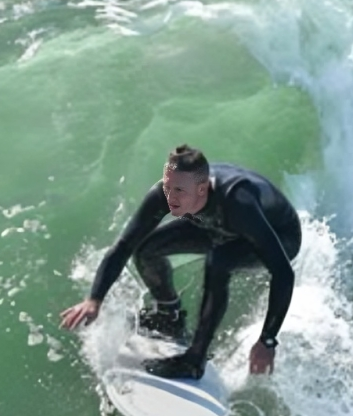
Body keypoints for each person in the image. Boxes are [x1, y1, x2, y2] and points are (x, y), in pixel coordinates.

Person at [60, 144, 302, 379]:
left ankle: (195, 360)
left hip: (281, 237)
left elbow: (283, 273)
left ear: (202, 189)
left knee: (219, 261)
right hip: (218, 227)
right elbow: (125, 245)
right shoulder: (165, 194)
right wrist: (95, 299)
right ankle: (169, 316)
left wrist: (268, 340)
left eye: (179, 191)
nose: (170, 197)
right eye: (167, 187)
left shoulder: (238, 201)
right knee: (146, 250)